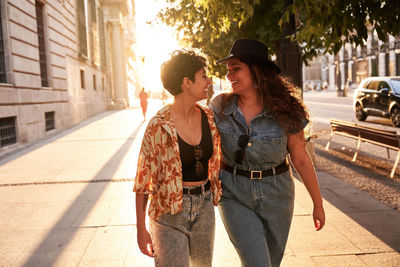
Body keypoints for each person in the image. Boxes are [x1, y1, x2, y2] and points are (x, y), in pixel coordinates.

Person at [209, 39, 325, 267]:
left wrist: (317, 203)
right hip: (234, 193)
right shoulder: (220, 106)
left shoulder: (287, 108)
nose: (229, 75)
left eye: (236, 68)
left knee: (271, 263)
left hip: (277, 195)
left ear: (256, 71)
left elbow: (300, 159)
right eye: (228, 69)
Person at [134, 49, 222, 267]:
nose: (208, 81)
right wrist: (140, 229)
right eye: (203, 75)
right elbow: (143, 181)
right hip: (168, 214)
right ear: (187, 82)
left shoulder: (209, 118)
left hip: (204, 208)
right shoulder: (158, 125)